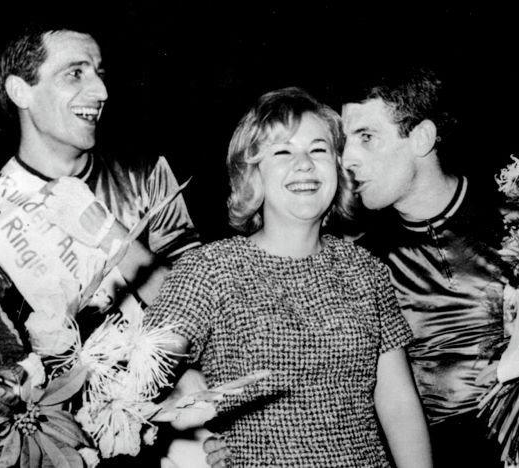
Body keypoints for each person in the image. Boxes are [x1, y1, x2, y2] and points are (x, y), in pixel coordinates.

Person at [144, 87, 433, 468]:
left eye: (318, 149)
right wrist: (190, 408)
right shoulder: (210, 269)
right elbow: (140, 374)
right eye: (282, 151)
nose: (304, 164)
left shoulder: (366, 270)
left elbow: (397, 403)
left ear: (338, 167)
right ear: (252, 174)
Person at [0, 23, 199, 362]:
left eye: (99, 72)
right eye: (75, 74)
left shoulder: (145, 174)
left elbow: (202, 311)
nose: (102, 91)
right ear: (21, 92)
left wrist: (110, 237)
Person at [340, 68, 510, 468]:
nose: (347, 158)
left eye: (366, 137)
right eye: (344, 142)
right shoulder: (364, 261)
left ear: (422, 138)